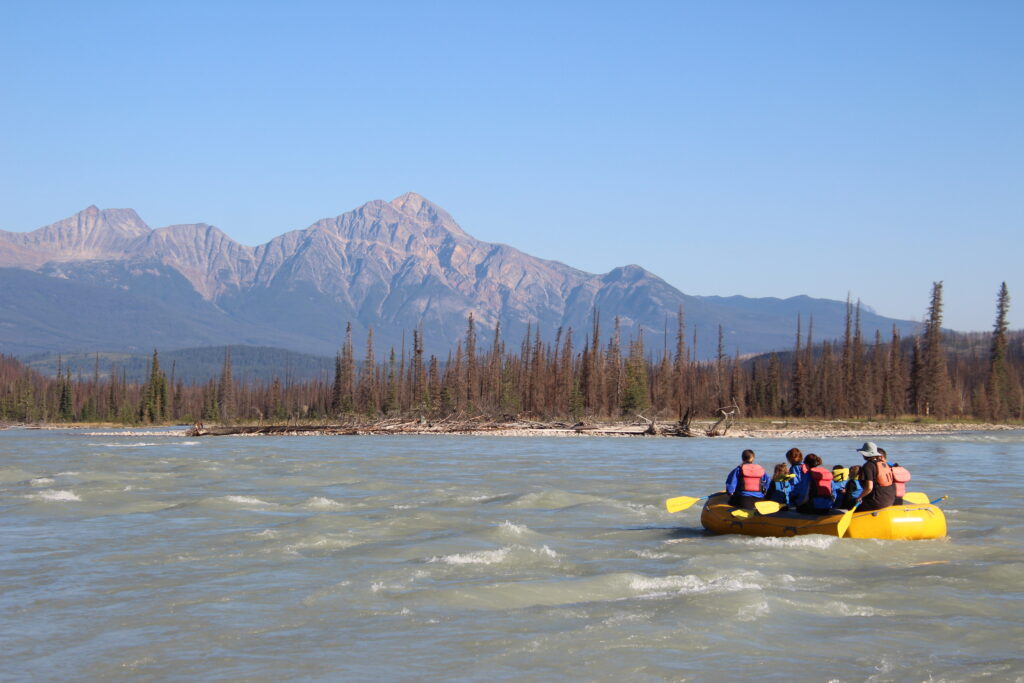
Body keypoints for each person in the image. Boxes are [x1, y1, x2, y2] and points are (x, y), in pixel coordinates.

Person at [855, 442, 896, 511]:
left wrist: (860, 497)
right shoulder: (884, 464)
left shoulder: (868, 466)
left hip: (877, 501)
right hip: (890, 499)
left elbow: (869, 488)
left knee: (854, 504)